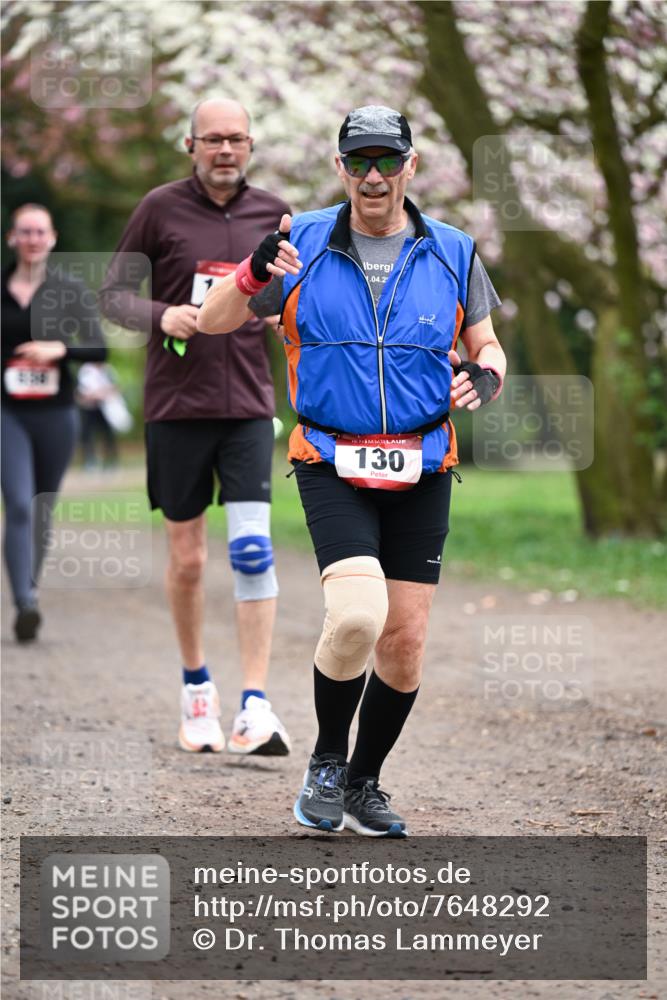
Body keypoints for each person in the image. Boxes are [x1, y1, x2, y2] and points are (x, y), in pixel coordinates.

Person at [198, 105, 507, 836]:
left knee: (402, 644)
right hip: (332, 457)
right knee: (359, 616)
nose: (373, 176)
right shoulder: (295, 243)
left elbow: (487, 343)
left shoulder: (453, 251)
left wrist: (485, 377)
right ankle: (326, 762)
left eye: (386, 160)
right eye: (359, 161)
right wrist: (248, 273)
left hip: (424, 461)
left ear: (410, 165)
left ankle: (365, 783)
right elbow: (213, 320)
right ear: (339, 167)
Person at [98, 98, 291, 757]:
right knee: (187, 559)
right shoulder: (159, 208)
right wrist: (161, 315)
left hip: (246, 406)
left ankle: (257, 705)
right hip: (177, 407)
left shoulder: (274, 214)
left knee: (251, 552)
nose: (225, 150)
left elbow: (292, 295)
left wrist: (276, 310)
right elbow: (113, 295)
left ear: (251, 144)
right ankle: (196, 689)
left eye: (236, 139)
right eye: (212, 139)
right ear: (190, 144)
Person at [1, 203, 107, 641]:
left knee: (42, 508)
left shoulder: (69, 290)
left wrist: (58, 350)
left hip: (57, 413)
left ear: (52, 238)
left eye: (39, 232)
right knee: (21, 505)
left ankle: (31, 589)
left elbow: (99, 349)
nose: (32, 239)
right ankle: (25, 601)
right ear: (12, 238)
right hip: (7, 412)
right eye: (24, 232)